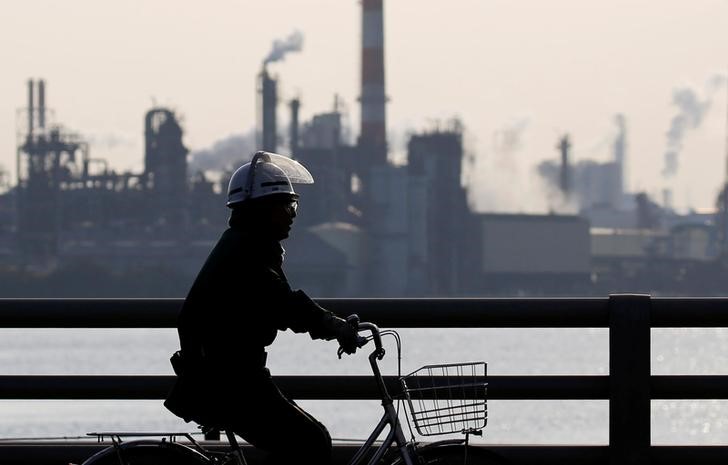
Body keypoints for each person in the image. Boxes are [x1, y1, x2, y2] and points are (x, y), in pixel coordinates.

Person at [164, 151, 360, 465]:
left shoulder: (246, 245)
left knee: (304, 441)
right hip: (234, 382)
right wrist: (334, 326)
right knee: (312, 443)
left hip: (230, 377)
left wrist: (328, 323)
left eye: (293, 204)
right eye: (286, 205)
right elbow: (284, 303)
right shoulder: (247, 254)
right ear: (261, 211)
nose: (293, 214)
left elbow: (282, 301)